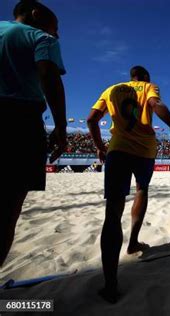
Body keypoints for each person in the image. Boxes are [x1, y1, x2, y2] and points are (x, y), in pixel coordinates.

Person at [87, 65, 170, 303]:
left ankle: (111, 284)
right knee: (142, 190)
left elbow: (92, 119)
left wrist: (99, 146)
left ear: (130, 76)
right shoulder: (148, 87)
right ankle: (134, 241)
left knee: (112, 212)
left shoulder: (111, 90)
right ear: (144, 77)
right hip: (145, 150)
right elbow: (157, 106)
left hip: (118, 149)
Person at [0, 0, 67, 266]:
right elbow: (48, 76)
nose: (57, 33)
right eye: (56, 26)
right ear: (36, 13)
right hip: (18, 121)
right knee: (6, 212)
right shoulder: (40, 37)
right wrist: (61, 127)